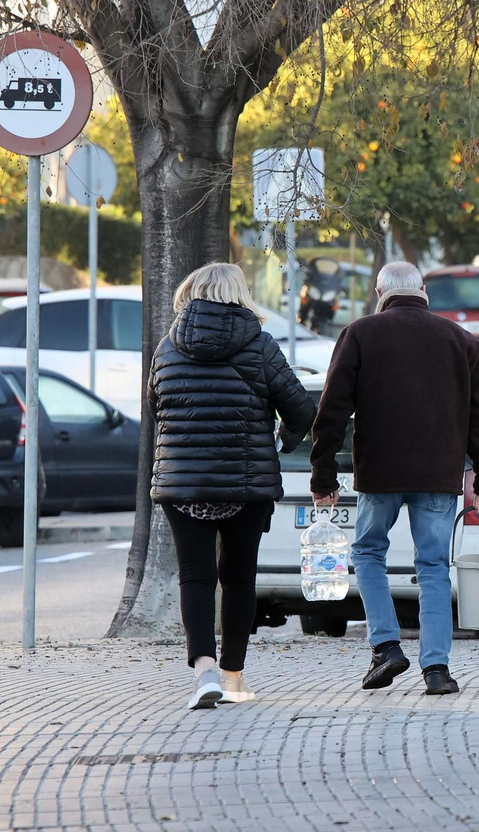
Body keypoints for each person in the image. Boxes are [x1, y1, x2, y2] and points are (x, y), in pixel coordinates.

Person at [310, 261, 479, 696]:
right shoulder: (461, 340)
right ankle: (437, 669)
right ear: (423, 291)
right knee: (433, 567)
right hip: (438, 474)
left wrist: (323, 475)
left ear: (380, 292)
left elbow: (332, 410)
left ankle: (386, 645)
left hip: (379, 474)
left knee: (368, 552)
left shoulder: (360, 334)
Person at [150, 262, 316, 709]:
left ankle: (203, 670)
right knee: (240, 577)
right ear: (240, 294)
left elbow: (156, 409)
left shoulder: (167, 348)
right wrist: (283, 439)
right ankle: (233, 677)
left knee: (196, 577)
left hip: (183, 485)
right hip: (246, 484)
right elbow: (301, 409)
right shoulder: (260, 346)